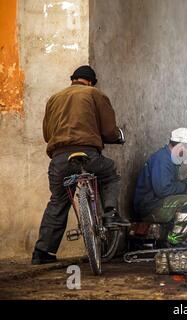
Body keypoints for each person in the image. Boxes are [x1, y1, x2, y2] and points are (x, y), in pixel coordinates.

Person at [32, 66, 130, 265]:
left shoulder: (54, 98)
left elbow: (47, 135)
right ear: (91, 82)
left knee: (58, 200)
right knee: (109, 174)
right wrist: (116, 137)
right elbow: (109, 130)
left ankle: (42, 252)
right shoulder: (95, 94)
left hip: (60, 159)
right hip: (88, 154)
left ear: (73, 80)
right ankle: (110, 214)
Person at [133, 128, 187, 246]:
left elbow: (171, 187)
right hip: (151, 207)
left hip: (162, 201)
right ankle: (174, 241)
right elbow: (163, 191)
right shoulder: (162, 159)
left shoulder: (172, 158)